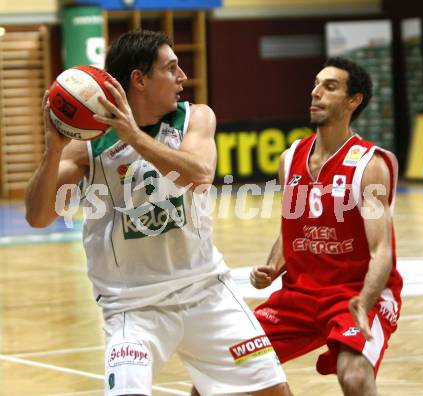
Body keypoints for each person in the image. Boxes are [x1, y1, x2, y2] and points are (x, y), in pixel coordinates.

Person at [25, 30, 292, 396]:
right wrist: (53, 149)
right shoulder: (87, 145)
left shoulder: (196, 117)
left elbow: (199, 175)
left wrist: (133, 136)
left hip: (205, 290)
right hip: (132, 305)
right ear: (139, 79)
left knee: (275, 393)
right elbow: (38, 217)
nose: (183, 78)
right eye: (171, 68)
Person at [250, 57, 403, 396]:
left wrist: (365, 301)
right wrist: (274, 266)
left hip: (355, 294)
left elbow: (382, 251)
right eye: (316, 84)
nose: (315, 92)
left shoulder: (369, 164)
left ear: (354, 101)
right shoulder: (289, 158)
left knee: (354, 374)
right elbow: (292, 227)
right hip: (300, 295)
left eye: (330, 87)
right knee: (231, 363)